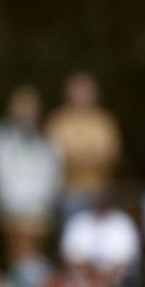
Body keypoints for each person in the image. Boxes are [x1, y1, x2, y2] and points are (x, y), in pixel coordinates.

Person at [0, 85, 62, 287]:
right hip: (11, 205)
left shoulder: (46, 138)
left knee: (32, 245)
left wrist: (40, 205)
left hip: (38, 205)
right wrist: (11, 206)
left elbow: (52, 173)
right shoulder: (1, 137)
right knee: (17, 245)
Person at [45, 71, 122, 219]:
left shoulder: (105, 121)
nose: (83, 95)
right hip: (69, 193)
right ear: (68, 93)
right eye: (78, 90)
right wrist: (92, 155)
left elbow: (113, 155)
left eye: (87, 90)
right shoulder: (58, 121)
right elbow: (54, 158)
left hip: (100, 192)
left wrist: (78, 156)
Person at [59, 193, 141, 287]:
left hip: (116, 277)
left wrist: (106, 274)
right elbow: (68, 254)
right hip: (83, 275)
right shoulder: (79, 221)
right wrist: (90, 270)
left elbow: (129, 256)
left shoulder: (122, 222)